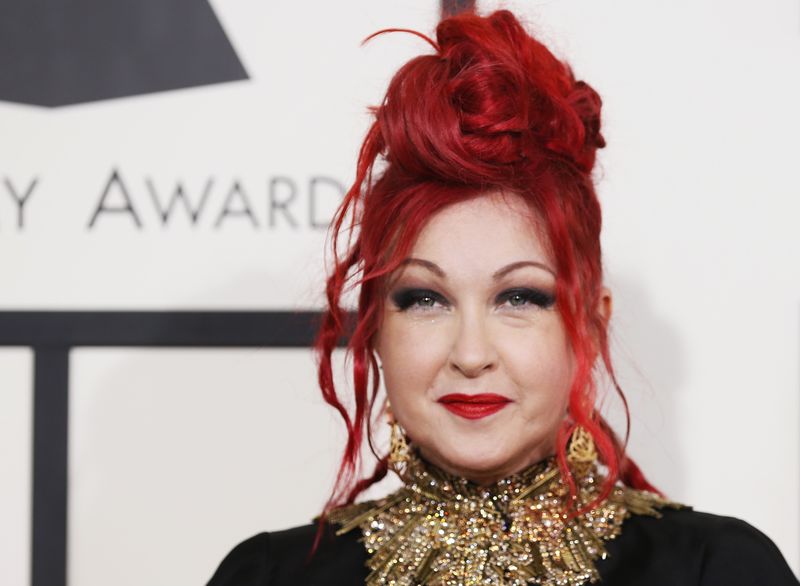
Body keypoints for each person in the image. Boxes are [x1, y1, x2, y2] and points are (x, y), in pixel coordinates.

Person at [207, 9, 798, 585]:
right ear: (375, 331)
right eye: (424, 299)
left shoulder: (717, 569)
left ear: (589, 328)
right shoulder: (268, 575)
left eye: (519, 297)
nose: (470, 353)